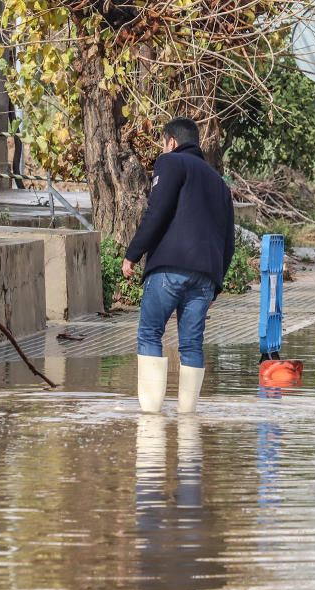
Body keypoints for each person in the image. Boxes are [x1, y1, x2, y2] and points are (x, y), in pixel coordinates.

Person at [122, 117, 235, 414]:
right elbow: (228, 242)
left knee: (149, 334)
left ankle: (149, 418)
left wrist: (133, 253)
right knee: (191, 346)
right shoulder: (220, 185)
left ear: (171, 142)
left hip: (169, 268)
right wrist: (215, 286)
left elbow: (156, 212)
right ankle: (188, 419)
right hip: (205, 278)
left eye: (164, 143)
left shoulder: (171, 163)